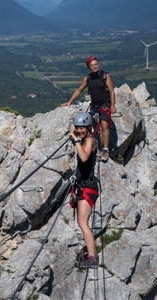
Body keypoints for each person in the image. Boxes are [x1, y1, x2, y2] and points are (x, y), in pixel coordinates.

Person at [61, 56, 116, 162]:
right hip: (95, 105)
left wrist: (112, 105)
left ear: (98, 65)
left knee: (104, 125)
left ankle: (105, 149)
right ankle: (99, 148)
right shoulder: (88, 78)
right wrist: (70, 101)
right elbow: (79, 90)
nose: (94, 67)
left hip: (105, 104)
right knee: (98, 128)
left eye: (96, 64)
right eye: (92, 65)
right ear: (89, 67)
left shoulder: (105, 76)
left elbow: (111, 91)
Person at [69, 112, 99, 269]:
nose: (79, 130)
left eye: (82, 128)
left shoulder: (90, 140)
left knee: (83, 222)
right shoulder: (86, 139)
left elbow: (84, 157)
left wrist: (76, 141)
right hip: (84, 185)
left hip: (88, 187)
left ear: (88, 128)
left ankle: (93, 258)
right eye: (77, 128)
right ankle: (91, 255)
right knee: (82, 222)